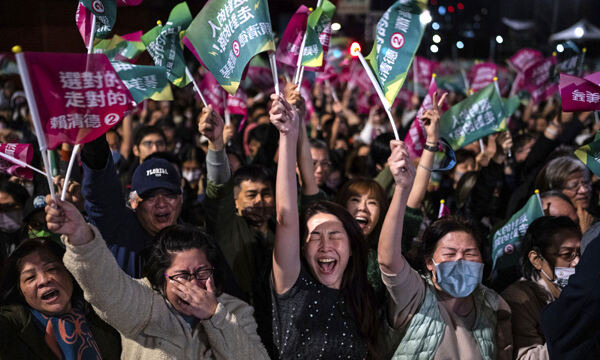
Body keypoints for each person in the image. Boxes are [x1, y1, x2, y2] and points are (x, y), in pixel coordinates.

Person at [44, 198, 269, 360]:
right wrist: (80, 236)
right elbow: (106, 285)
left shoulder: (235, 311)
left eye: (202, 273)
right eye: (181, 276)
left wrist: (214, 316)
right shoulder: (146, 303)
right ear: (161, 279)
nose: (193, 285)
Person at [269, 94, 379, 359]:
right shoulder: (293, 288)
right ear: (302, 248)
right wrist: (288, 136)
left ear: (352, 247)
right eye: (314, 236)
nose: (325, 244)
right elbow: (285, 218)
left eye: (334, 235)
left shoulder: (362, 298)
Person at [379, 142, 513, 359]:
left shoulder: (494, 305)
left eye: (470, 253)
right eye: (450, 254)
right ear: (430, 262)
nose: (460, 259)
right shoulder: (415, 295)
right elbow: (387, 260)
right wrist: (403, 189)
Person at [82, 131, 183, 277]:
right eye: (150, 196)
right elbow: (101, 190)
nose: (161, 203)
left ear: (181, 198)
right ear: (134, 202)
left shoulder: (197, 242)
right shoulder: (118, 230)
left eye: (169, 195)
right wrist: (94, 136)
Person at [0, 238, 121, 359]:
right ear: (21, 291)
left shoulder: (102, 310)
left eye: (51, 269)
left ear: (69, 271)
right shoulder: (13, 325)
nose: (44, 280)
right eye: (30, 277)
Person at [501, 216, 581, 359]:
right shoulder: (518, 299)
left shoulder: (586, 287)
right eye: (567, 255)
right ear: (536, 260)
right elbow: (526, 357)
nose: (577, 262)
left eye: (580, 253)